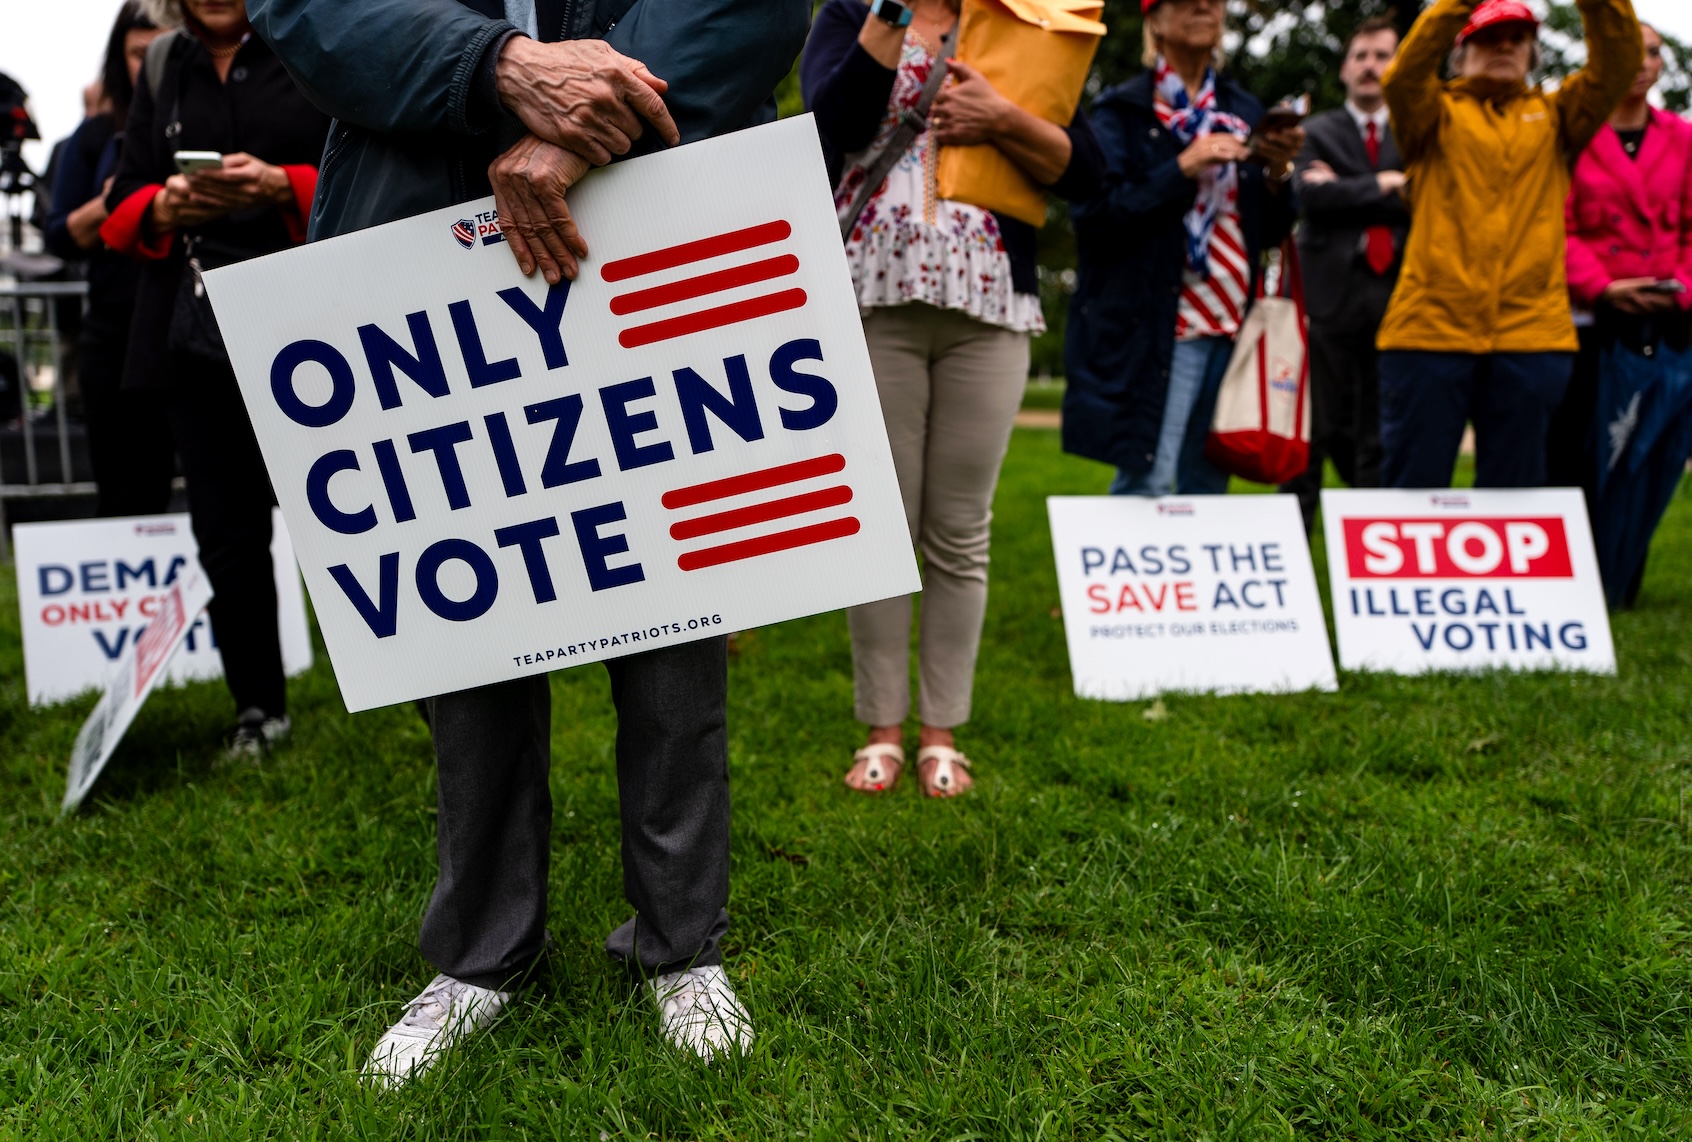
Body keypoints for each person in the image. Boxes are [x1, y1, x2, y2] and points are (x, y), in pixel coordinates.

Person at [247, 0, 809, 1084]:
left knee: (671, 591)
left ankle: (681, 944)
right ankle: (482, 954)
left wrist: (592, 117)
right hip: (419, 208)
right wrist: (492, 69)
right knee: (470, 612)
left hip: (657, 190)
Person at [802, 0, 1101, 798]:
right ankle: (882, 731)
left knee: (961, 530)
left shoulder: (1039, 17)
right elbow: (823, 133)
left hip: (991, 304)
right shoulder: (852, 11)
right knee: (885, 525)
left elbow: (1089, 169)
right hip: (875, 296)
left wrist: (1002, 117)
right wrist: (889, 19)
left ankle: (942, 734)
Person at [101, 0, 327, 755]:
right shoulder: (165, 64)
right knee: (226, 534)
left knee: (357, 513)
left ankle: (435, 704)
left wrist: (283, 186)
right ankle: (258, 711)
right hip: (192, 333)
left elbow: (366, 171)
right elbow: (122, 198)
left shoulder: (319, 38)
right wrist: (164, 202)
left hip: (312, 322)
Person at [1374, 0, 1642, 489]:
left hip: (1531, 336)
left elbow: (1617, 64)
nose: (1504, 46)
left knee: (1514, 500)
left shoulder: (1559, 115)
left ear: (1532, 53)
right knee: (1414, 494)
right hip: (1429, 332)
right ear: (1460, 51)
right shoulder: (1432, 113)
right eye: (1488, 36)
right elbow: (1403, 78)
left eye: (1517, 38)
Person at [1063, 0, 1302, 498]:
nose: (1203, 6)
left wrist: (1278, 175)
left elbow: (1268, 232)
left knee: (1210, 482)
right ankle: (1134, 575)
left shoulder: (1243, 110)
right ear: (1154, 20)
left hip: (1234, 322)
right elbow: (1098, 215)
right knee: (1147, 479)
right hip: (1160, 324)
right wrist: (1184, 166)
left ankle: (1193, 580)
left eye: (1215, 0)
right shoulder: (1124, 110)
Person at [1547, 22, 1691, 606]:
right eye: (1624, 49)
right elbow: (1559, 225)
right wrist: (1603, 286)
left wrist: (1678, 287)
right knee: (1585, 449)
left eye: (1651, 51)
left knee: (1651, 453)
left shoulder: (1682, 137)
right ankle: (1579, 576)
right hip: (1592, 317)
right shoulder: (1571, 135)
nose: (1638, 60)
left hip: (1669, 314)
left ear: (1660, 66)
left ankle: (1623, 574)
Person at [44, 1, 176, 519]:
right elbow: (60, 233)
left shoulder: (216, 120)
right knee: (124, 489)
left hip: (195, 325)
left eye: (164, 49)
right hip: (116, 328)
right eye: (138, 54)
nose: (150, 66)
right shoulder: (98, 135)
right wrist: (115, 202)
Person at [1278, 17, 1407, 532]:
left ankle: (1375, 555)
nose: (1371, 66)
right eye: (1361, 56)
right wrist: (1387, 184)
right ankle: (1291, 559)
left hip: (1399, 296)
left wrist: (1346, 187)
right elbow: (1308, 196)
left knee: (1381, 434)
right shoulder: (1312, 130)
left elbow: (1431, 197)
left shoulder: (1420, 130)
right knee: (1311, 431)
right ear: (1345, 67)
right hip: (1323, 300)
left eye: (1382, 55)